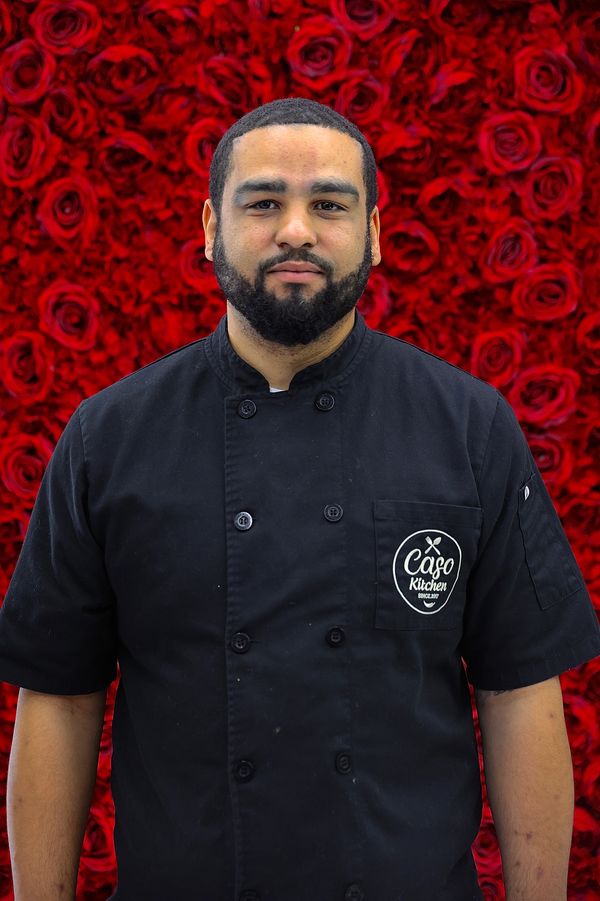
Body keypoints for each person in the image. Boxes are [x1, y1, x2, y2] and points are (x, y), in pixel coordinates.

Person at [1, 97, 599, 901]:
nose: (295, 230)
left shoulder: (468, 426)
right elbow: (60, 699)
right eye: (263, 203)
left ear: (374, 233)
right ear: (210, 227)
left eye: (328, 204)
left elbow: (518, 690)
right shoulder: (108, 437)